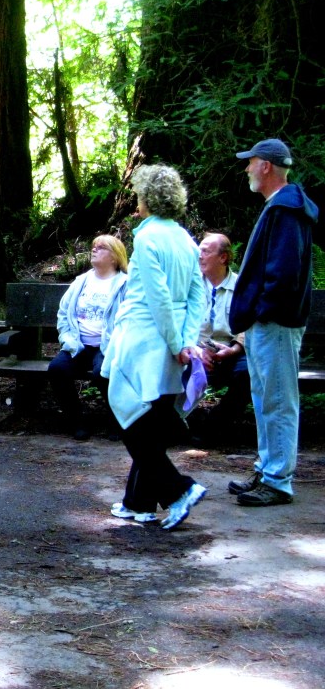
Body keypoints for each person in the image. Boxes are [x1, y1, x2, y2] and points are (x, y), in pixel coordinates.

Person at [101, 164, 207, 530]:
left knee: (128, 413)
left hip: (143, 339)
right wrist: (185, 342)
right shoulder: (185, 239)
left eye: (138, 194)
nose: (136, 201)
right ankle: (139, 502)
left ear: (147, 197)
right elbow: (197, 296)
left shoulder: (147, 239)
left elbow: (158, 298)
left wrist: (179, 343)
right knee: (154, 418)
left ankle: (179, 489)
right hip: (169, 342)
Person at [228, 139, 318, 507]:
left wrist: (261, 312)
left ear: (266, 165)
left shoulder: (286, 209)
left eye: (250, 162)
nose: (247, 168)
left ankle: (278, 481)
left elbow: (283, 274)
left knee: (278, 401)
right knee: (266, 400)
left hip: (276, 323)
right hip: (268, 323)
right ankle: (267, 471)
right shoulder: (280, 206)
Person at [48, 235, 128, 441]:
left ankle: (117, 421)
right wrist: (67, 339)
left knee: (103, 373)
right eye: (94, 246)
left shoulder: (125, 284)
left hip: (108, 346)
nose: (94, 250)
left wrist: (117, 344)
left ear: (114, 257)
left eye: (101, 247)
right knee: (57, 369)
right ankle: (77, 421)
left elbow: (131, 319)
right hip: (79, 344)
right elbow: (64, 313)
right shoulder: (81, 281)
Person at [189, 233, 250, 440]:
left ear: (223, 257)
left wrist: (234, 349)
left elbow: (249, 324)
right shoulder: (190, 285)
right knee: (166, 364)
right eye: (199, 251)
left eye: (205, 251)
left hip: (231, 351)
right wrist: (197, 350)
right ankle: (177, 423)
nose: (199, 256)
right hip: (195, 350)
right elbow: (178, 320)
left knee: (249, 373)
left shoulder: (242, 286)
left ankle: (214, 426)